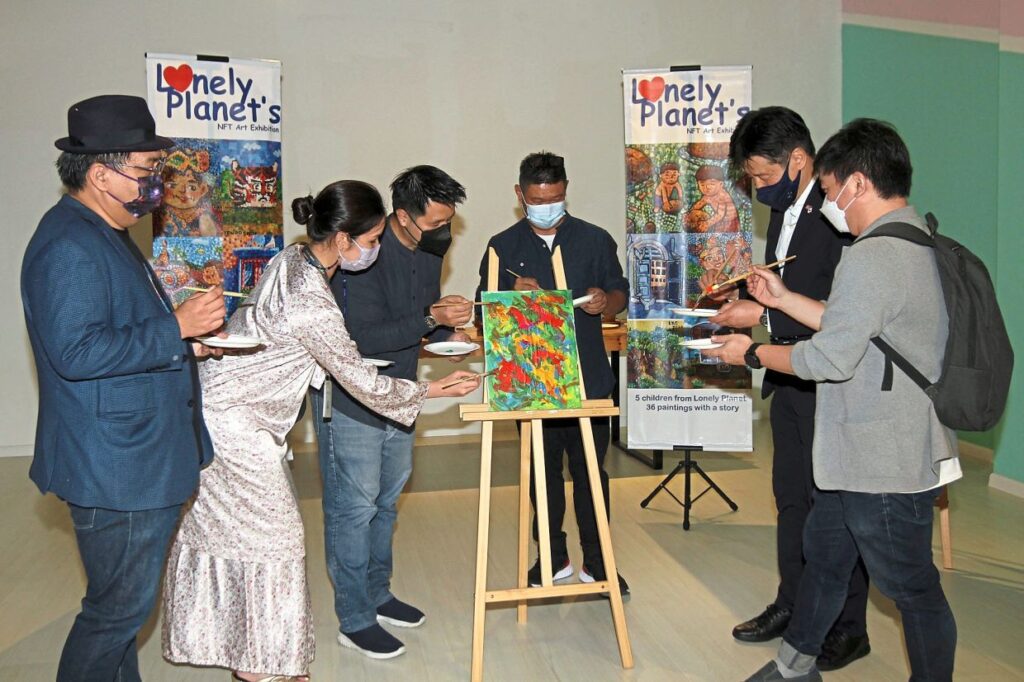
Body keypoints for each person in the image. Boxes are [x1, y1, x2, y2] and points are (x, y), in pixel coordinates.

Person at [162, 180, 481, 680]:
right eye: (371, 241)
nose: (374, 252)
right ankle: (267, 666)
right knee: (279, 544)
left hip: (232, 410)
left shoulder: (293, 258)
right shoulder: (312, 296)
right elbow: (357, 377)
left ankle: (254, 658)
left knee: (244, 543)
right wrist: (435, 392)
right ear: (342, 238)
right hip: (237, 426)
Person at [706, 118, 961, 682]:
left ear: (858, 184)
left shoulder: (874, 255)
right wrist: (785, 298)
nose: (825, 202)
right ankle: (795, 668)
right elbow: (853, 326)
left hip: (882, 458)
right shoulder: (906, 239)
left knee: (912, 589)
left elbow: (828, 358)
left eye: (827, 189)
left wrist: (751, 355)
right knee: (824, 561)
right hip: (855, 453)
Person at [21, 94, 225, 681]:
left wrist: (184, 343)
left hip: (134, 457)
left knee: (124, 609)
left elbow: (115, 333)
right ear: (101, 174)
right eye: (144, 173)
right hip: (117, 466)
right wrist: (175, 327)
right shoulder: (70, 245)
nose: (154, 185)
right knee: (116, 613)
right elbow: (76, 352)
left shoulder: (104, 229)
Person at [710, 106, 869, 672]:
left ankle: (848, 627)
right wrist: (751, 309)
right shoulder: (785, 215)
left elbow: (837, 314)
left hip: (829, 382)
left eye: (758, 175)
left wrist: (760, 323)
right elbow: (789, 297)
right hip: (789, 377)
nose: (756, 188)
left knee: (836, 510)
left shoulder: (839, 220)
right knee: (791, 500)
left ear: (798, 161)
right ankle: (793, 604)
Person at [309, 165, 472, 660]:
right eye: (434, 222)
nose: (441, 232)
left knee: (384, 503)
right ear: (401, 216)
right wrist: (430, 319)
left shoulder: (427, 253)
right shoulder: (360, 257)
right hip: (353, 398)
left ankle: (378, 595)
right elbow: (356, 340)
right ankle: (354, 618)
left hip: (399, 395)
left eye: (447, 222)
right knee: (351, 510)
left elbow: (419, 323)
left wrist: (451, 335)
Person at [476, 151, 630, 596]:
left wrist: (607, 301)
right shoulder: (502, 246)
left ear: (566, 192)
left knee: (591, 473)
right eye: (538, 199)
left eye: (557, 197)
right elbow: (483, 309)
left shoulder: (594, 239)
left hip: (588, 378)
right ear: (519, 195)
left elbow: (619, 291)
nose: (548, 206)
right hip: (533, 383)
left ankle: (599, 560)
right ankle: (553, 556)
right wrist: (507, 295)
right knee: (541, 475)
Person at [159, 147, 219, 236]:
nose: (182, 191)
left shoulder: (205, 217)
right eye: (172, 185)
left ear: (203, 189)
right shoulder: (162, 216)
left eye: (192, 187)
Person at [684, 164, 740, 232]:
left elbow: (720, 215)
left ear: (721, 184)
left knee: (726, 239)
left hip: (730, 222)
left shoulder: (722, 196)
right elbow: (700, 203)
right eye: (702, 184)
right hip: (719, 221)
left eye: (712, 184)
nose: (707, 187)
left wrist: (707, 223)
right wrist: (689, 212)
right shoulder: (708, 195)